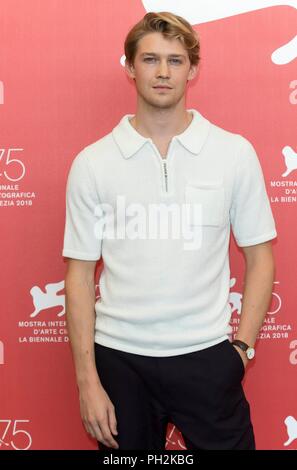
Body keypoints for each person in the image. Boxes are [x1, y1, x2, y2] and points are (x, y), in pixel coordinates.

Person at [62, 11, 277, 450]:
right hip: (120, 362)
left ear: (192, 69)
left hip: (208, 358)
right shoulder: (93, 162)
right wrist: (88, 381)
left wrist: (241, 351)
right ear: (129, 67)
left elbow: (260, 256)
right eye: (150, 59)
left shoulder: (233, 153)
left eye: (175, 61)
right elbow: (79, 275)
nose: (163, 72)